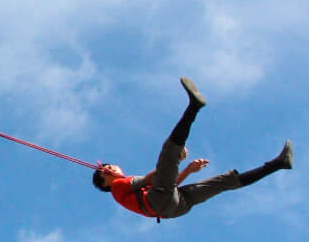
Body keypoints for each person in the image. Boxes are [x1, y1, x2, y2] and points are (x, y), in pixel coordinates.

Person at [93, 78, 292, 222]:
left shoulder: (125, 189)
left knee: (223, 182)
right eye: (106, 170)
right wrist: (177, 158)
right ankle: (194, 107)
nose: (111, 167)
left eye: (110, 165)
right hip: (160, 201)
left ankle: (279, 164)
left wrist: (187, 171)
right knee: (169, 152)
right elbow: (153, 179)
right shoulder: (118, 186)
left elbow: (167, 184)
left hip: (174, 207)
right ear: (105, 183)